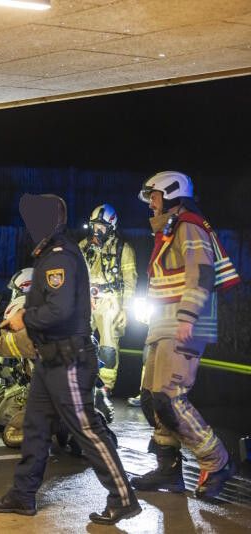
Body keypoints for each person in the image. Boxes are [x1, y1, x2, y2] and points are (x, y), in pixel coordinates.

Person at [0, 193, 140, 525]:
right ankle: (23, 495)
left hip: (68, 360)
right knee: (35, 427)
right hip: (50, 359)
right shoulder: (51, 253)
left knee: (86, 429)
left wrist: (24, 318)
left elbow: (59, 309)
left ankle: (123, 498)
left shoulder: (60, 256)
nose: (30, 225)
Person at [131, 171, 239, 499]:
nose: (151, 203)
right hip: (164, 323)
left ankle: (217, 461)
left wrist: (188, 315)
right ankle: (168, 469)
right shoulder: (170, 229)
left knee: (169, 397)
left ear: (171, 194)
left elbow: (201, 273)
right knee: (152, 399)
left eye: (154, 197)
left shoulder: (188, 226)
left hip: (185, 322)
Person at [79, 204, 137, 420]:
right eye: (94, 226)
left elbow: (130, 282)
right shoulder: (83, 246)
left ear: (111, 227)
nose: (97, 231)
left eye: (101, 227)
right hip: (86, 299)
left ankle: (104, 389)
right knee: (77, 340)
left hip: (111, 300)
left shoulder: (123, 249)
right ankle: (78, 382)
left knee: (108, 347)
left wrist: (126, 309)